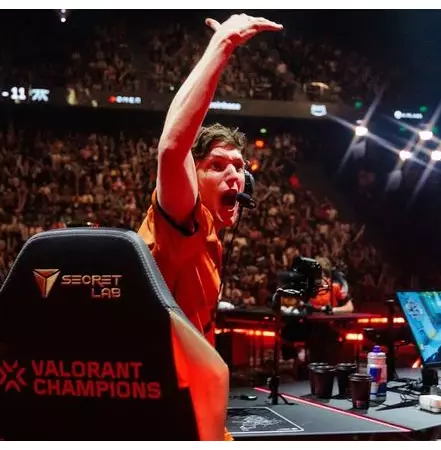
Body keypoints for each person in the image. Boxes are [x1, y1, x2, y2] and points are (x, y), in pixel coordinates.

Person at [136, 14, 282, 441]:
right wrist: (223, 46)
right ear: (192, 175)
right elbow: (172, 146)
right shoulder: (183, 218)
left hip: (197, 407)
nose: (234, 176)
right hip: (170, 414)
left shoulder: (211, 233)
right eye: (217, 165)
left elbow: (174, 132)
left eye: (238, 166)